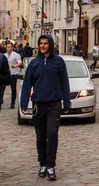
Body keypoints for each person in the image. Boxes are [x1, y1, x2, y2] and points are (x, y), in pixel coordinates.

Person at [20, 34, 70, 181]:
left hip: (54, 103)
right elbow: (26, 85)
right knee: (40, 136)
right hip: (38, 104)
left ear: (51, 44)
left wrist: (66, 103)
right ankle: (42, 163)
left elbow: (64, 83)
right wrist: (24, 103)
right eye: (40, 43)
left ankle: (50, 165)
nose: (42, 46)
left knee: (52, 133)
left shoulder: (59, 62)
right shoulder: (34, 64)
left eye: (45, 43)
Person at [5, 41, 23, 109]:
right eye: (7, 47)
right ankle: (0, 101)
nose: (8, 48)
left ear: (12, 48)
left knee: (13, 89)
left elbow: (20, 63)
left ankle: (12, 103)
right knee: (2, 88)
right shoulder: (5, 55)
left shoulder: (16, 55)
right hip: (6, 74)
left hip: (13, 74)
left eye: (9, 47)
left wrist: (15, 66)